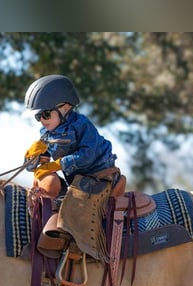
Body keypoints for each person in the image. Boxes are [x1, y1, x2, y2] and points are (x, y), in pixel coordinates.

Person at [23, 75, 121, 260]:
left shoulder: (82, 125)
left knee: (76, 205)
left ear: (65, 108)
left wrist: (59, 164)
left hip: (98, 175)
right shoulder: (47, 132)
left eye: (45, 114)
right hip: (76, 179)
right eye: (38, 116)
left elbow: (88, 155)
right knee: (49, 191)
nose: (42, 120)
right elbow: (33, 166)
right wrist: (33, 159)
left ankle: (80, 249)